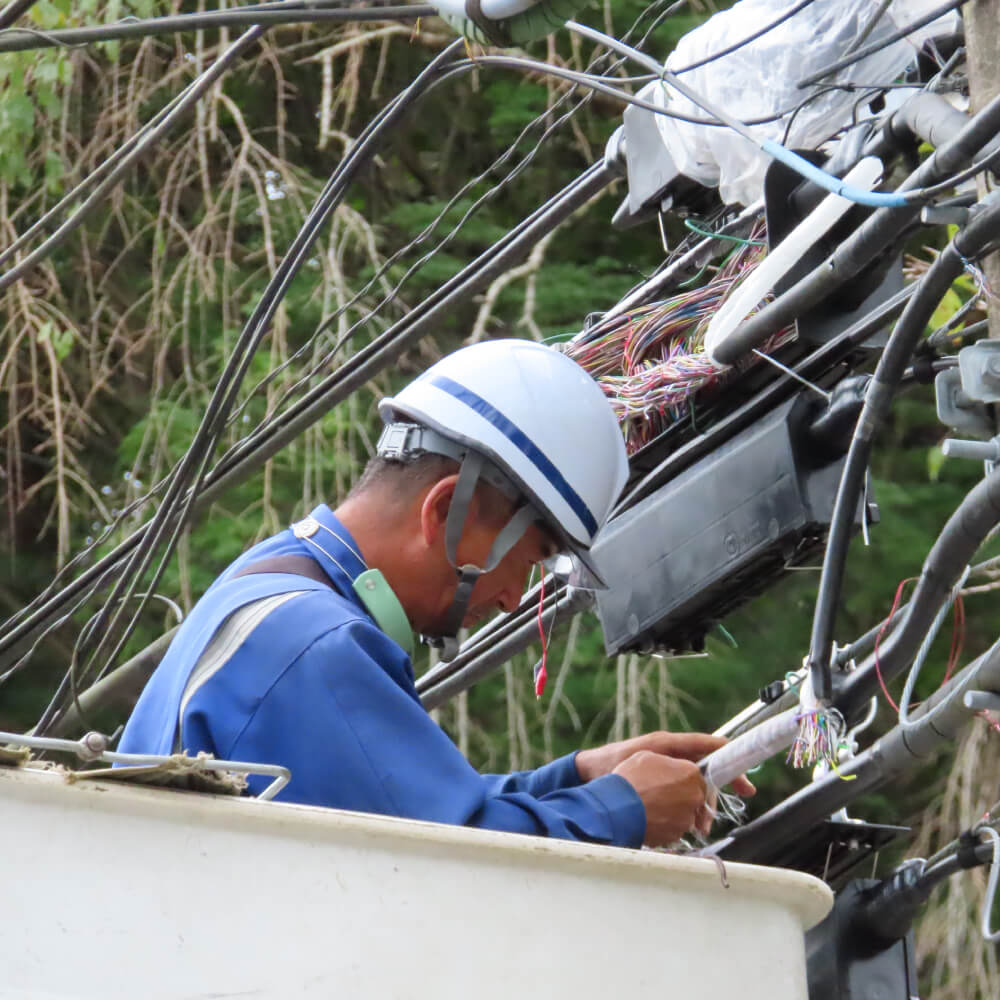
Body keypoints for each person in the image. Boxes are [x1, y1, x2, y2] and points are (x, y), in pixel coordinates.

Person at [120, 339, 753, 848]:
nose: (511, 600)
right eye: (532, 560)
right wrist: (622, 809)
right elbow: (459, 857)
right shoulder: (315, 647)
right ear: (444, 510)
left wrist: (580, 777)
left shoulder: (272, 583)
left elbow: (404, 807)